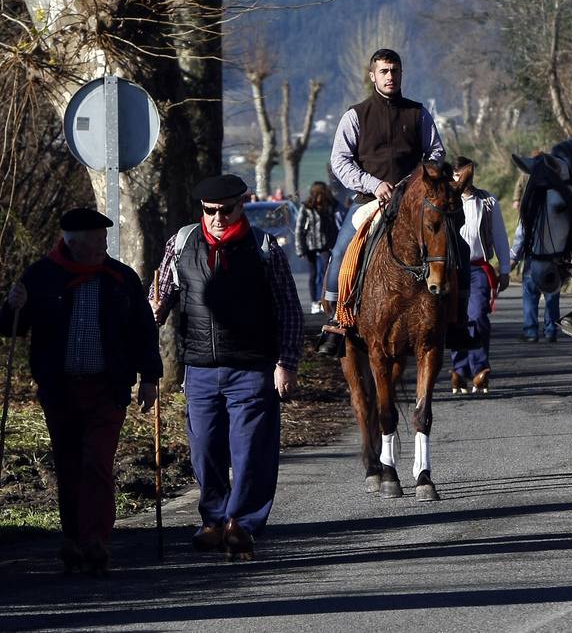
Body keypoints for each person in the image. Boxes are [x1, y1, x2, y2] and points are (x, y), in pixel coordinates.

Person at [0, 209, 160, 576]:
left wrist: (150, 376)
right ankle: (72, 538)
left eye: (105, 241)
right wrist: (13, 305)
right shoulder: (42, 276)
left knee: (97, 463)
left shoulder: (120, 278)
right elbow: (10, 329)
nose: (103, 248)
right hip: (60, 391)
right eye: (96, 242)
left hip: (108, 389)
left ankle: (96, 540)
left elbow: (142, 330)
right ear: (73, 244)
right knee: (69, 465)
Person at [152, 174, 303, 560]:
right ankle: (213, 520)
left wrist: (286, 363)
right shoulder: (182, 243)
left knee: (251, 450)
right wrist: (151, 311)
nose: (217, 218)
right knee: (205, 449)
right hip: (199, 368)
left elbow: (288, 309)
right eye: (210, 211)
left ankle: (242, 523)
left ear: (242, 206)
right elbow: (162, 296)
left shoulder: (265, 246)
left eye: (226, 210)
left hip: (252, 368)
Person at [319, 48, 458, 357]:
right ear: (373, 76)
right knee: (341, 252)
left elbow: (436, 153)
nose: (390, 76)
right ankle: (337, 321)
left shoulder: (418, 113)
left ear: (401, 73)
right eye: (383, 71)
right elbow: (339, 161)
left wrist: (416, 182)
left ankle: (457, 321)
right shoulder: (355, 115)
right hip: (371, 200)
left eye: (394, 71)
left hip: (414, 201)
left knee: (454, 246)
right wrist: (373, 183)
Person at [448, 157, 511, 394]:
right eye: (456, 175)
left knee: (478, 316)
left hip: (477, 268)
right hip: (452, 269)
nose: (461, 179)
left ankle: (479, 370)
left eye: (463, 174)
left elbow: (500, 236)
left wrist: (504, 269)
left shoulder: (487, 201)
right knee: (456, 317)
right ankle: (459, 369)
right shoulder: (446, 200)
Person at [511, 219, 560, 344]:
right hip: (553, 261)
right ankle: (551, 330)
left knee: (530, 297)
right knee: (552, 298)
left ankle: (531, 332)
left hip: (533, 260)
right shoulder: (557, 216)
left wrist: (514, 258)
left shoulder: (530, 213)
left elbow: (520, 238)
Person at [294, 181, 339, 314]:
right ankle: (314, 302)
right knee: (313, 273)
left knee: (326, 271)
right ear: (314, 195)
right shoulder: (306, 208)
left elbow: (334, 225)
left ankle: (324, 299)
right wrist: (300, 249)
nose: (320, 198)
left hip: (326, 244)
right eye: (318, 194)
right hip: (310, 245)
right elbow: (299, 229)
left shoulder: (329, 206)